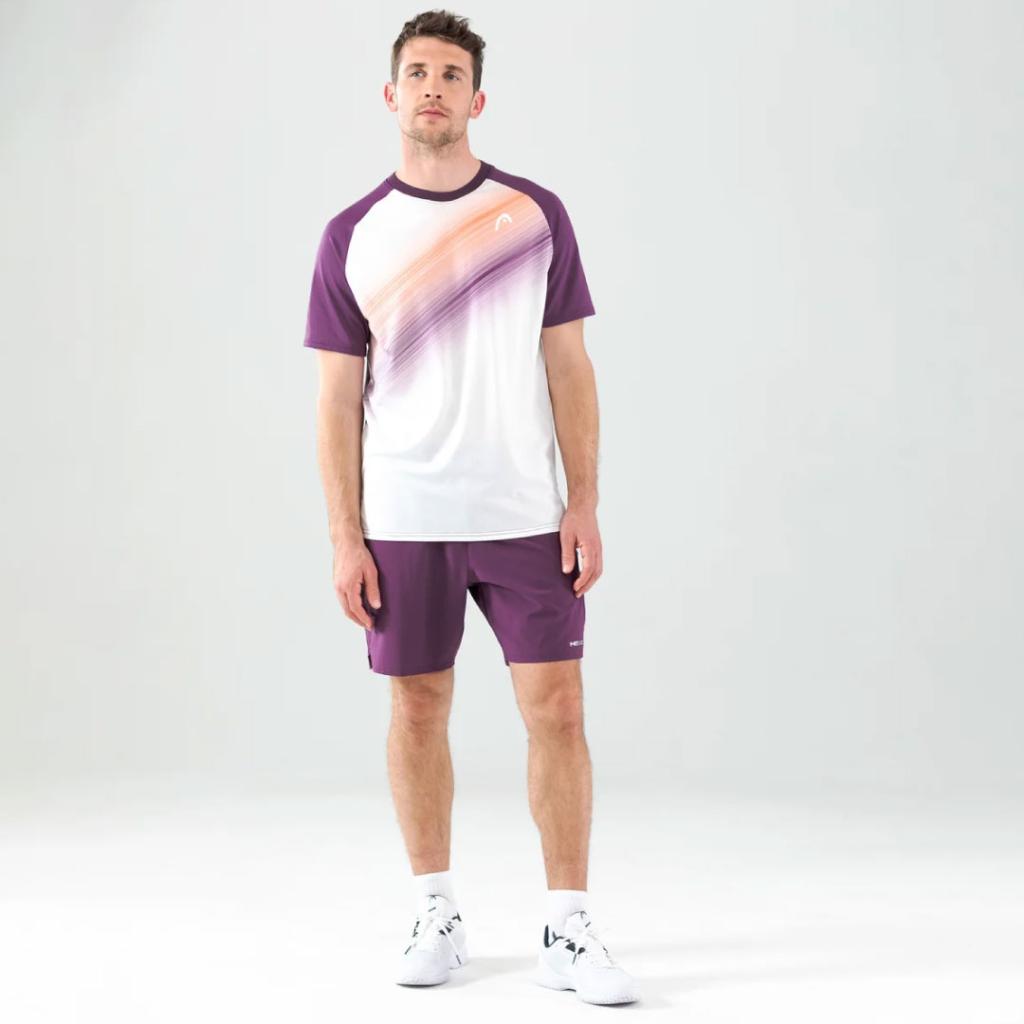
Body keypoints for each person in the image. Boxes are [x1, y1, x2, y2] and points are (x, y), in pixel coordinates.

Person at [302, 9, 637, 1006]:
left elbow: (570, 367)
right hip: (406, 517)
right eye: (417, 72)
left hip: (524, 510)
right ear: (391, 94)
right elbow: (335, 398)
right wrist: (344, 535)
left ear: (477, 99)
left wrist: (584, 501)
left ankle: (568, 926)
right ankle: (435, 911)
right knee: (417, 706)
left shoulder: (534, 215)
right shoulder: (352, 234)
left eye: (451, 74)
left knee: (558, 708)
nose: (433, 88)